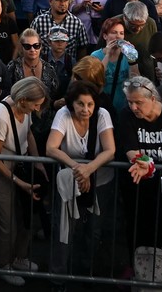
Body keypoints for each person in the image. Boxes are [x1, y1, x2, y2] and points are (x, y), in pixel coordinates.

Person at [112, 77, 162, 267]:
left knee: (159, 228)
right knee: (135, 227)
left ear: (153, 99)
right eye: (130, 102)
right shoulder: (126, 116)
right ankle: (136, 266)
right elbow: (131, 150)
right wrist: (144, 162)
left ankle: (155, 268)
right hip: (136, 184)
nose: (133, 107)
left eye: (138, 102)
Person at [45, 81, 115, 281]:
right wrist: (79, 170)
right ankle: (58, 276)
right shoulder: (63, 115)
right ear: (71, 104)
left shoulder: (102, 115)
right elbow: (51, 147)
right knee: (64, 229)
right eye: (81, 104)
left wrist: (89, 169)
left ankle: (87, 270)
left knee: (93, 229)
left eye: (90, 104)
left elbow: (110, 150)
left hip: (101, 181)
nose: (86, 110)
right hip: (69, 183)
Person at [0, 76, 48, 285]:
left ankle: (19, 257)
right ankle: (2, 264)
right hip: (3, 166)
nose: (38, 109)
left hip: (21, 163)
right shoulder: (1, 116)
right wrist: (18, 182)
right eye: (36, 105)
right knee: (7, 221)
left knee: (26, 216)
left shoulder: (24, 110)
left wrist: (37, 162)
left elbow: (28, 133)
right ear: (22, 101)